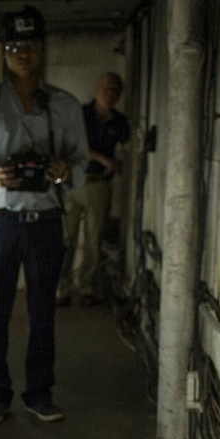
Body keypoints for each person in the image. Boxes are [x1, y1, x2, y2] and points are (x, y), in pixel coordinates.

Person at [0, 5, 89, 424]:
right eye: (14, 45)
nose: (23, 53)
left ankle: (39, 393)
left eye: (30, 44)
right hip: (0, 225)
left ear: (42, 47)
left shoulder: (64, 106)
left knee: (42, 312)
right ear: (3, 50)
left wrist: (64, 171)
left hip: (46, 222)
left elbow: (82, 170)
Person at [58, 72, 131, 307]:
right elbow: (72, 146)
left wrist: (119, 163)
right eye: (106, 88)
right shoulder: (80, 114)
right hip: (74, 182)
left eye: (115, 90)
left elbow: (127, 148)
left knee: (93, 239)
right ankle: (61, 289)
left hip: (99, 185)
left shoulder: (119, 122)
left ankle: (87, 287)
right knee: (65, 239)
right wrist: (103, 158)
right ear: (97, 89)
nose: (109, 94)